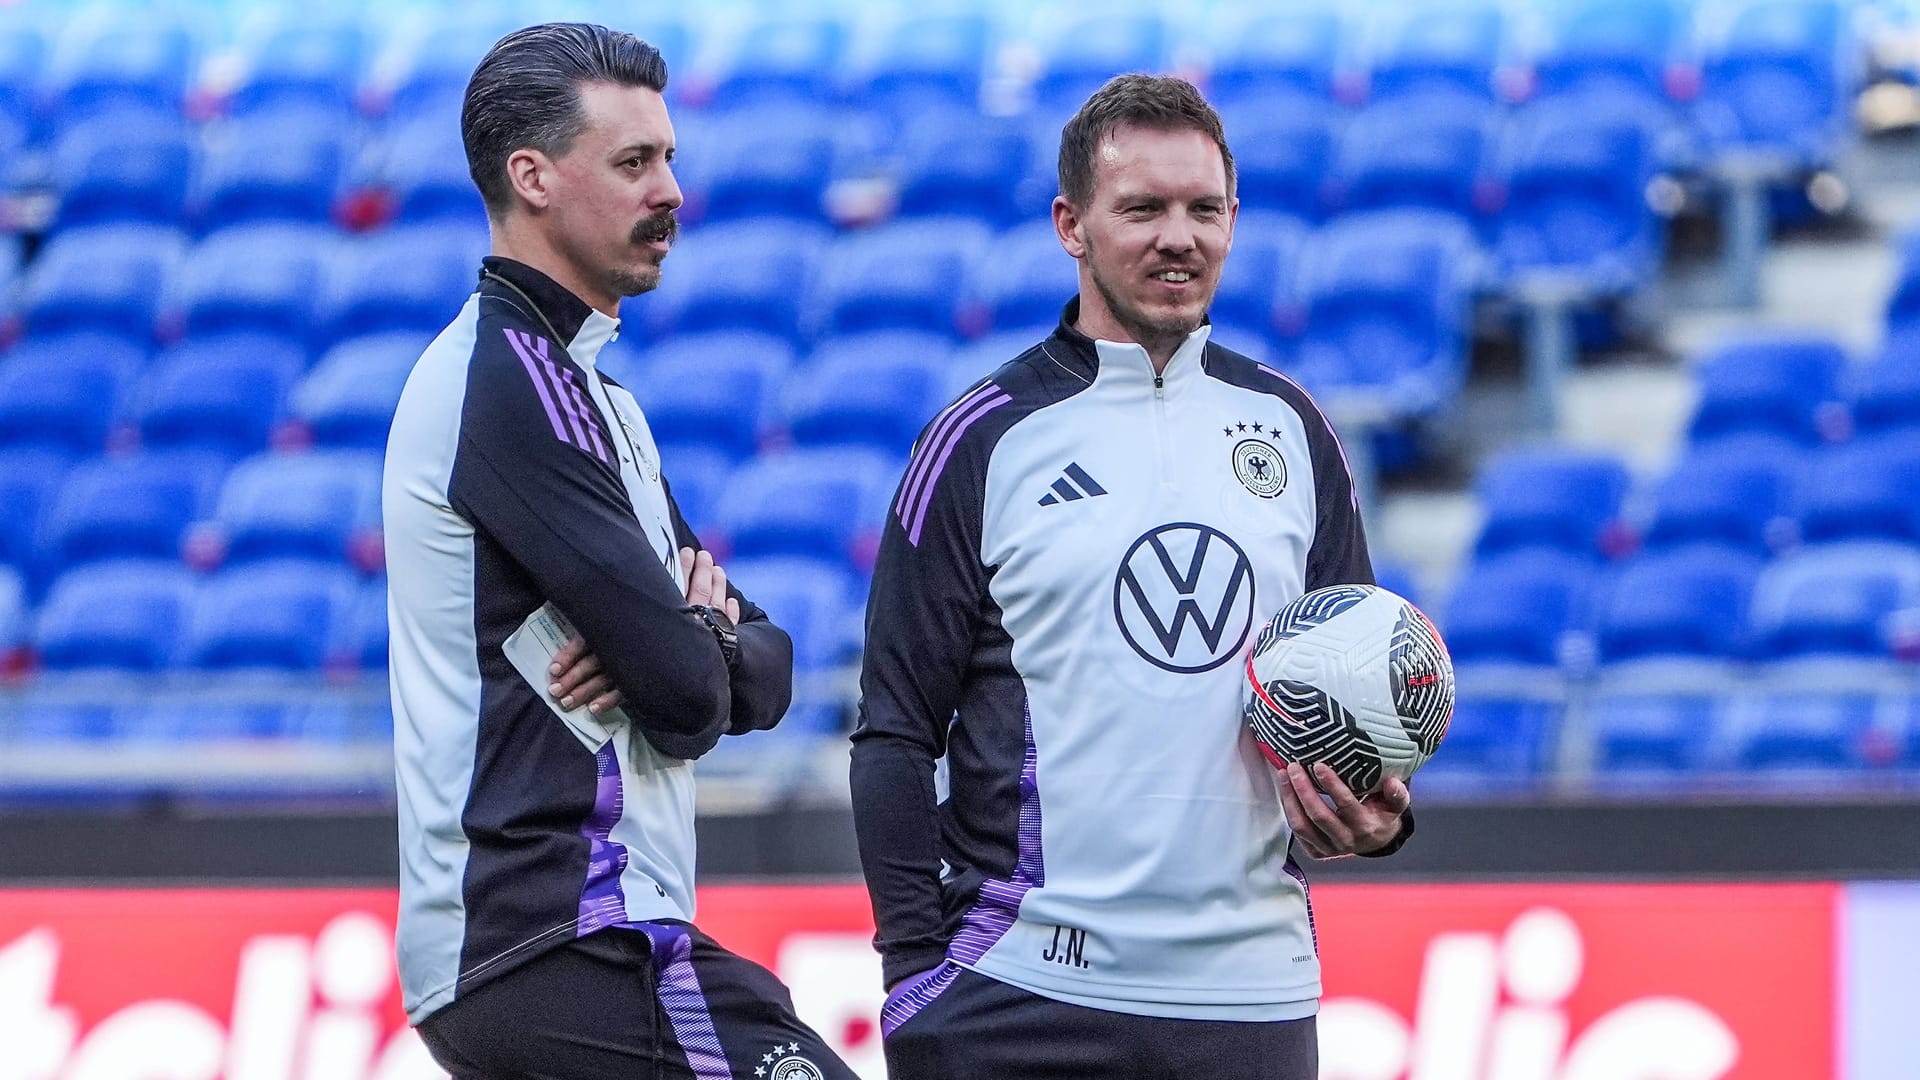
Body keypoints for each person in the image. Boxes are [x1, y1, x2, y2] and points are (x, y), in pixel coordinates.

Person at [849, 74, 1416, 1079]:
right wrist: (914, 976)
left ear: (1234, 218)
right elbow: (894, 729)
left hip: (1250, 998)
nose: (1178, 237)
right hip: (1017, 994)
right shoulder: (982, 439)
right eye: (1143, 209)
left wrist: (1380, 815)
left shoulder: (1297, 430)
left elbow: (1361, 703)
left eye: (1204, 209)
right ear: (1072, 224)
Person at [383, 23, 856, 1080]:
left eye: (670, 158)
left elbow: (759, 657)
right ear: (533, 177)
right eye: (635, 162)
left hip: (556, 945)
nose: (672, 190)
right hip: (562, 935)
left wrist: (687, 643)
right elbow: (690, 694)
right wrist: (688, 642)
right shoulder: (511, 387)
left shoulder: (595, 399)